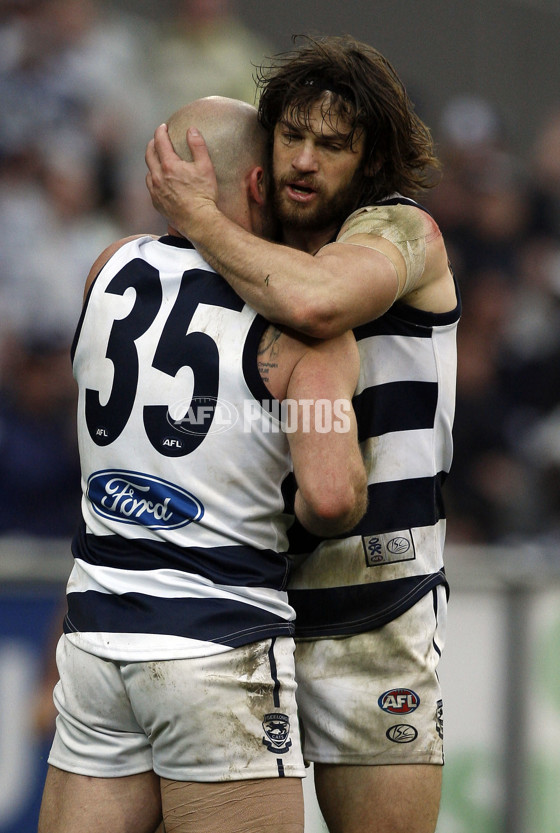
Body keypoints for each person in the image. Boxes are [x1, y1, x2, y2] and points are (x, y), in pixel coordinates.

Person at [144, 35, 460, 833]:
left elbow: (317, 302)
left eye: (333, 144)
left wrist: (197, 216)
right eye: (292, 135)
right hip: (244, 610)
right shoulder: (250, 252)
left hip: (376, 618)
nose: (305, 161)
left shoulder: (402, 233)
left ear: (371, 159)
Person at [38, 95, 367, 833]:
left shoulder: (107, 268)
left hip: (96, 638)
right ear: (257, 184)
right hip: (220, 642)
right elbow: (332, 493)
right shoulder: (302, 324)